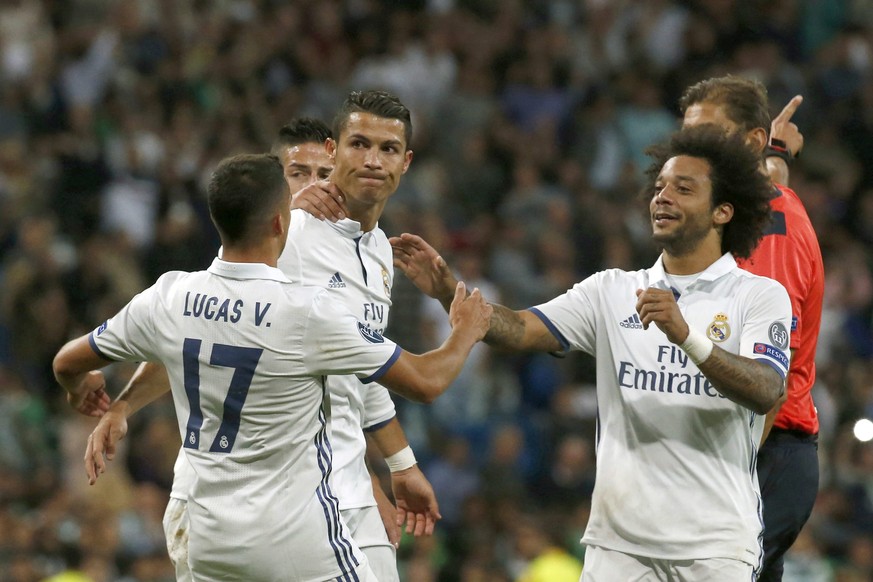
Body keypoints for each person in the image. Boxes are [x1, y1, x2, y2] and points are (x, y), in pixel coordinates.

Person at [54, 152, 492, 581]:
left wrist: (85, 389)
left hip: (207, 536)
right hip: (296, 540)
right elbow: (426, 381)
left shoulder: (170, 295)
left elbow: (67, 361)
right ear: (282, 222)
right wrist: (465, 331)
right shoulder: (308, 311)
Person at [391, 124, 792, 581]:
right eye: (659, 187)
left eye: (683, 189)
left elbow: (766, 388)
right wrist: (449, 294)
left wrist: (688, 337)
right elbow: (519, 329)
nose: (662, 197)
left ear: (723, 211)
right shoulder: (612, 290)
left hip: (715, 546)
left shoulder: (759, 296)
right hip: (618, 546)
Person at [681, 75, 823, 582]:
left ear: (748, 142)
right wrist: (780, 148)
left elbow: (769, 379)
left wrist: (722, 476)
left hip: (763, 453)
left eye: (708, 135)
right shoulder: (752, 204)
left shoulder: (769, 231)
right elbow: (770, 175)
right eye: (688, 135)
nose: (691, 148)